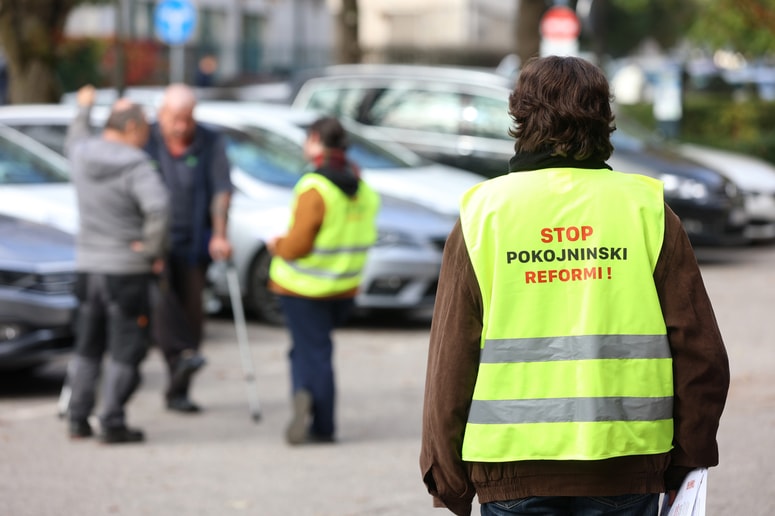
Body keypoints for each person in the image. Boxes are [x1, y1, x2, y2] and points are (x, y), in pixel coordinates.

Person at [419, 56, 730, 516]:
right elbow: (701, 353)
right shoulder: (646, 211)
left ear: (520, 118)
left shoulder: (483, 216)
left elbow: (451, 359)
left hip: (511, 471)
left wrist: (446, 476)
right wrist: (687, 456)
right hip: (627, 466)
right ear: (604, 119)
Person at [65, 85, 169, 444]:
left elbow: (76, 134)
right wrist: (151, 251)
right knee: (127, 347)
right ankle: (111, 421)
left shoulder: (81, 154)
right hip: (125, 269)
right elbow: (159, 208)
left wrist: (83, 108)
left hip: (87, 267)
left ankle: (78, 417)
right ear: (130, 128)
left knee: (87, 345)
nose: (146, 138)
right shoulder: (136, 164)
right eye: (144, 131)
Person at [266, 117, 380, 445]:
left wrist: (277, 245)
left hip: (303, 288)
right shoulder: (363, 189)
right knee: (308, 350)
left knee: (314, 353)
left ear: (315, 139)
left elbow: (298, 244)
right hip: (343, 288)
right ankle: (304, 393)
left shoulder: (315, 188)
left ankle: (322, 424)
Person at [145, 83, 233, 413]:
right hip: (155, 242)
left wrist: (220, 234)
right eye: (175, 118)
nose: (182, 126)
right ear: (161, 114)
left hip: (194, 241)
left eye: (188, 118)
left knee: (192, 314)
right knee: (163, 303)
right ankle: (182, 356)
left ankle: (179, 387)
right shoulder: (147, 139)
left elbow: (221, 190)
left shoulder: (210, 141)